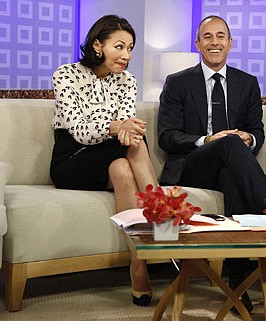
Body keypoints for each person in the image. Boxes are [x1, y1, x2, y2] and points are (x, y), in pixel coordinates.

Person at [157, 15, 266, 314]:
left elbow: (257, 131)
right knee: (228, 143)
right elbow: (167, 137)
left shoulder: (247, 83)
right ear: (197, 44)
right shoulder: (178, 82)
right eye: (207, 36)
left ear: (230, 43)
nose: (214, 42)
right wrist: (208, 140)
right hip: (192, 164)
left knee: (233, 172)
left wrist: (248, 137)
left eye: (221, 36)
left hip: (229, 166)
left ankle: (239, 286)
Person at [50, 15, 157, 307]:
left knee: (124, 164)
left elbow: (126, 124)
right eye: (119, 47)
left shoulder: (127, 80)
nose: (127, 56)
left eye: (130, 48)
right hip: (72, 157)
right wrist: (116, 126)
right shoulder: (66, 74)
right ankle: (162, 213)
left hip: (113, 152)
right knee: (132, 143)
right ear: (97, 44)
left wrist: (127, 128)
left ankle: (138, 264)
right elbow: (80, 130)